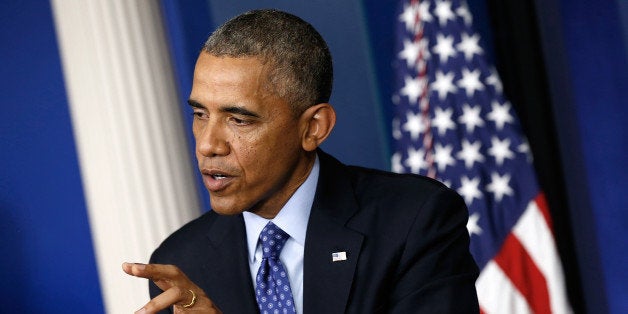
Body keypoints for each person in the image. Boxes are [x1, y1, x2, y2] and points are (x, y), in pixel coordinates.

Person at [123, 9, 479, 314]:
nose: (207, 144)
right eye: (200, 114)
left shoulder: (413, 220)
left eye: (239, 120)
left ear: (313, 127)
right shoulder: (183, 261)